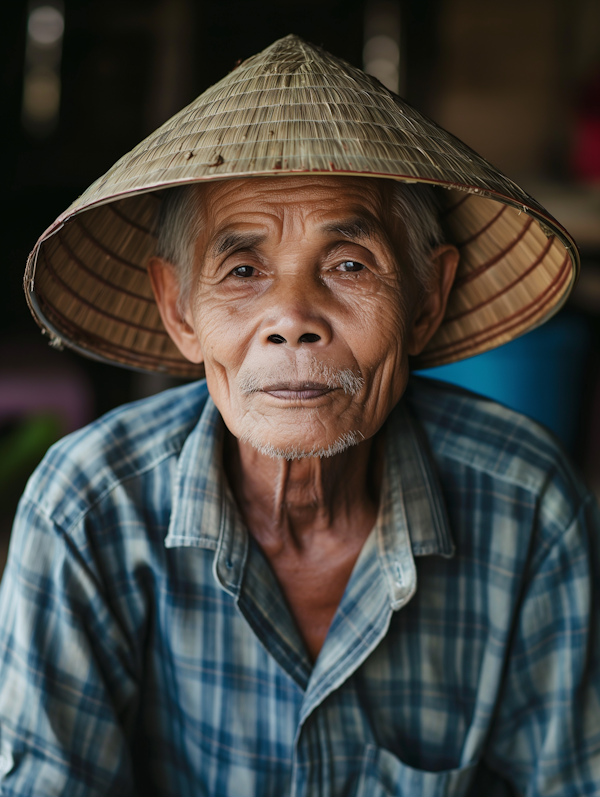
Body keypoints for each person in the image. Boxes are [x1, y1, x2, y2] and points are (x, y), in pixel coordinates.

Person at [0, 35, 598, 797]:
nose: (292, 319)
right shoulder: (87, 509)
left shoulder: (527, 499)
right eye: (242, 270)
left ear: (427, 298)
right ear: (178, 310)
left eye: (349, 265)